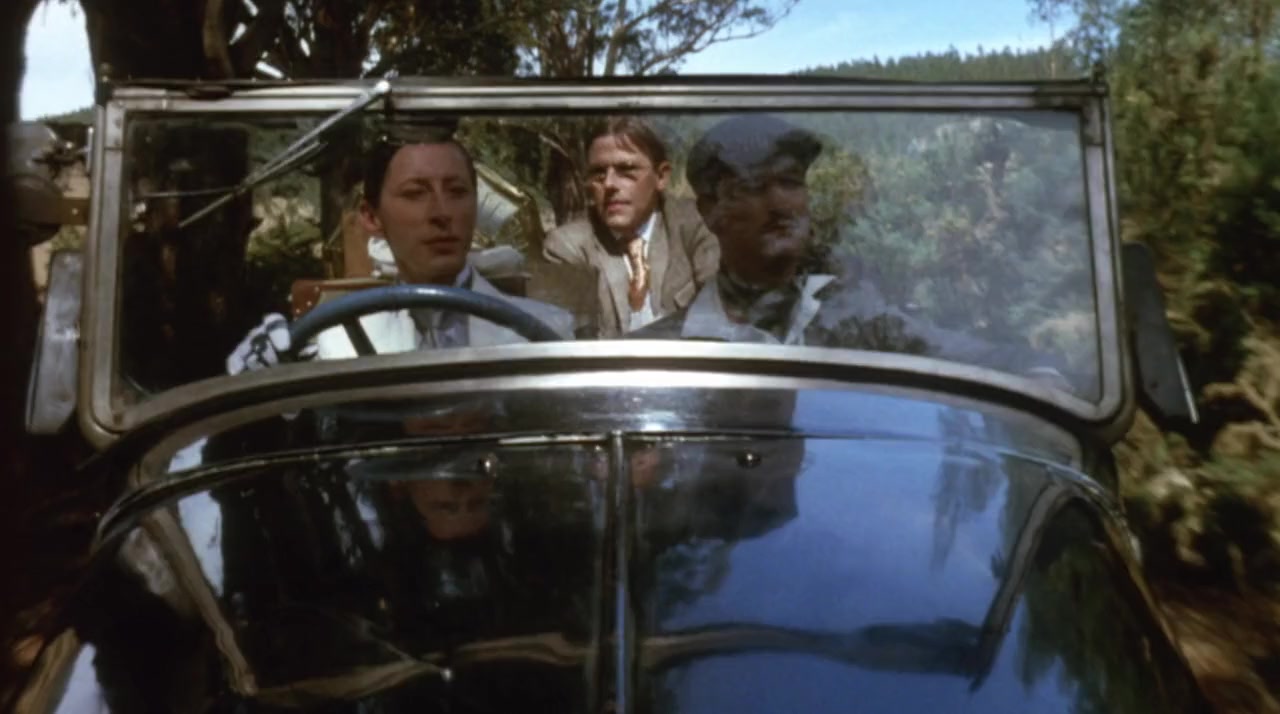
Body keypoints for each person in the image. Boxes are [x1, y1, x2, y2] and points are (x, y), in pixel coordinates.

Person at [634, 114, 1067, 381]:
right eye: (753, 186)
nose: (781, 203)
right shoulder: (661, 354)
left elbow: (978, 358)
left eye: (791, 182)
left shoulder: (862, 324)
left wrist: (1044, 374)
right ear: (711, 211)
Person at [227, 131, 574, 374]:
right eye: (415, 193)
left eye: (457, 191)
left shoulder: (547, 333)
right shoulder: (334, 345)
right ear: (371, 217)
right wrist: (264, 383)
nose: (441, 213)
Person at [542, 117, 719, 338]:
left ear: (661, 176)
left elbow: (721, 316)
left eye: (626, 170)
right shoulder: (567, 246)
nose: (609, 184)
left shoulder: (697, 224)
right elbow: (571, 339)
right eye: (598, 173)